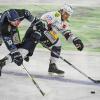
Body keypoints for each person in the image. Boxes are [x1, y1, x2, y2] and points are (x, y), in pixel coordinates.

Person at [0, 9, 34, 76]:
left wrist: (35, 20)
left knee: (17, 43)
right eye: (14, 21)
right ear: (9, 20)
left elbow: (26, 13)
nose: (17, 22)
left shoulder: (20, 14)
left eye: (17, 20)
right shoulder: (4, 26)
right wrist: (16, 54)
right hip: (2, 29)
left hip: (8, 26)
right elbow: (9, 43)